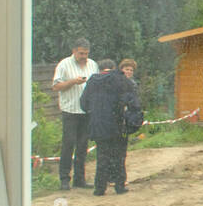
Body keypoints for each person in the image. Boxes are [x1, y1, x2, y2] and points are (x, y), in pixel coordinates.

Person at [79, 58, 143, 196]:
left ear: (100, 69)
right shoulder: (121, 80)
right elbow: (134, 103)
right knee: (119, 155)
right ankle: (119, 186)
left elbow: (83, 104)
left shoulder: (92, 81)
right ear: (114, 68)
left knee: (102, 156)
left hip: (98, 125)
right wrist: (132, 122)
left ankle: (99, 188)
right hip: (117, 123)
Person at [52, 38, 99, 191]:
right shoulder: (64, 65)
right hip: (70, 111)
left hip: (87, 111)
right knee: (68, 144)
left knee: (82, 145)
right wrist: (73, 82)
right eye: (81, 53)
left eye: (86, 53)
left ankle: (80, 179)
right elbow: (56, 86)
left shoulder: (92, 64)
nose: (83, 56)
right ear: (74, 51)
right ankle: (64, 179)